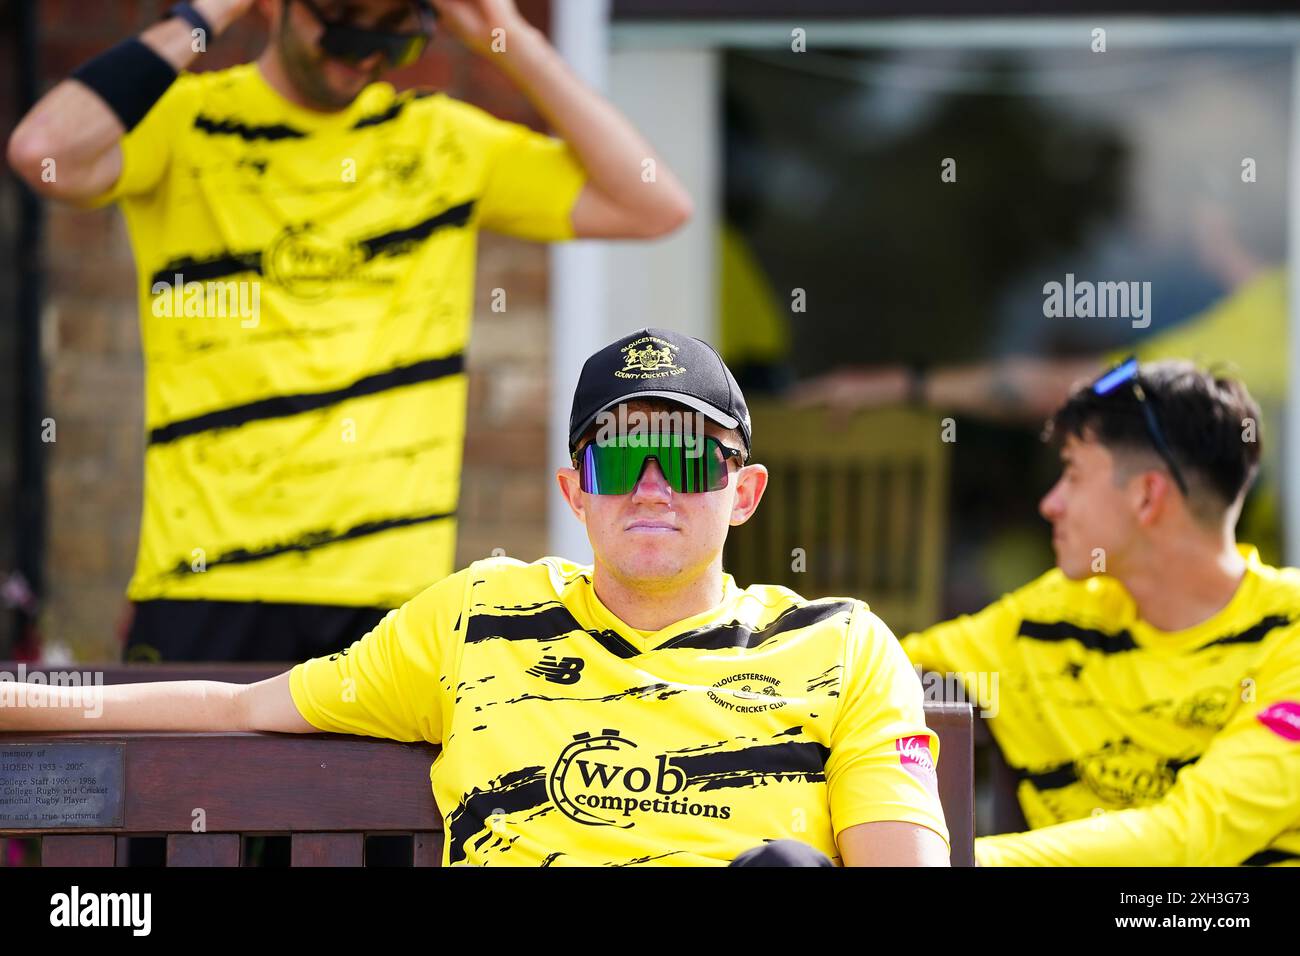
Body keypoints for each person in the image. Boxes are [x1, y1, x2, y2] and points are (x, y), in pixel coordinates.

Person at [0, 328, 952, 867]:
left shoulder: (843, 648)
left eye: (692, 455)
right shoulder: (479, 616)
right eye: (619, 454)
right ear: (574, 490)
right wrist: (22, 701)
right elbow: (238, 705)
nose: (653, 483)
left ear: (743, 493)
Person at [6, 0, 693, 664]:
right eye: (339, 21)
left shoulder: (443, 140)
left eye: (394, 30)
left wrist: (504, 33)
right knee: (188, 787)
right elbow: (44, 151)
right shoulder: (186, 120)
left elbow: (653, 202)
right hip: (208, 581)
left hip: (394, 594)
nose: (361, 54)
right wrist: (204, 15)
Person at [898, 359, 1300, 866]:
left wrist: (939, 860)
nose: (1050, 503)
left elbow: (1190, 839)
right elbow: (875, 673)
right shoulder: (1050, 615)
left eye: (1072, 472)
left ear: (1146, 496)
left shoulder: (1291, 630)